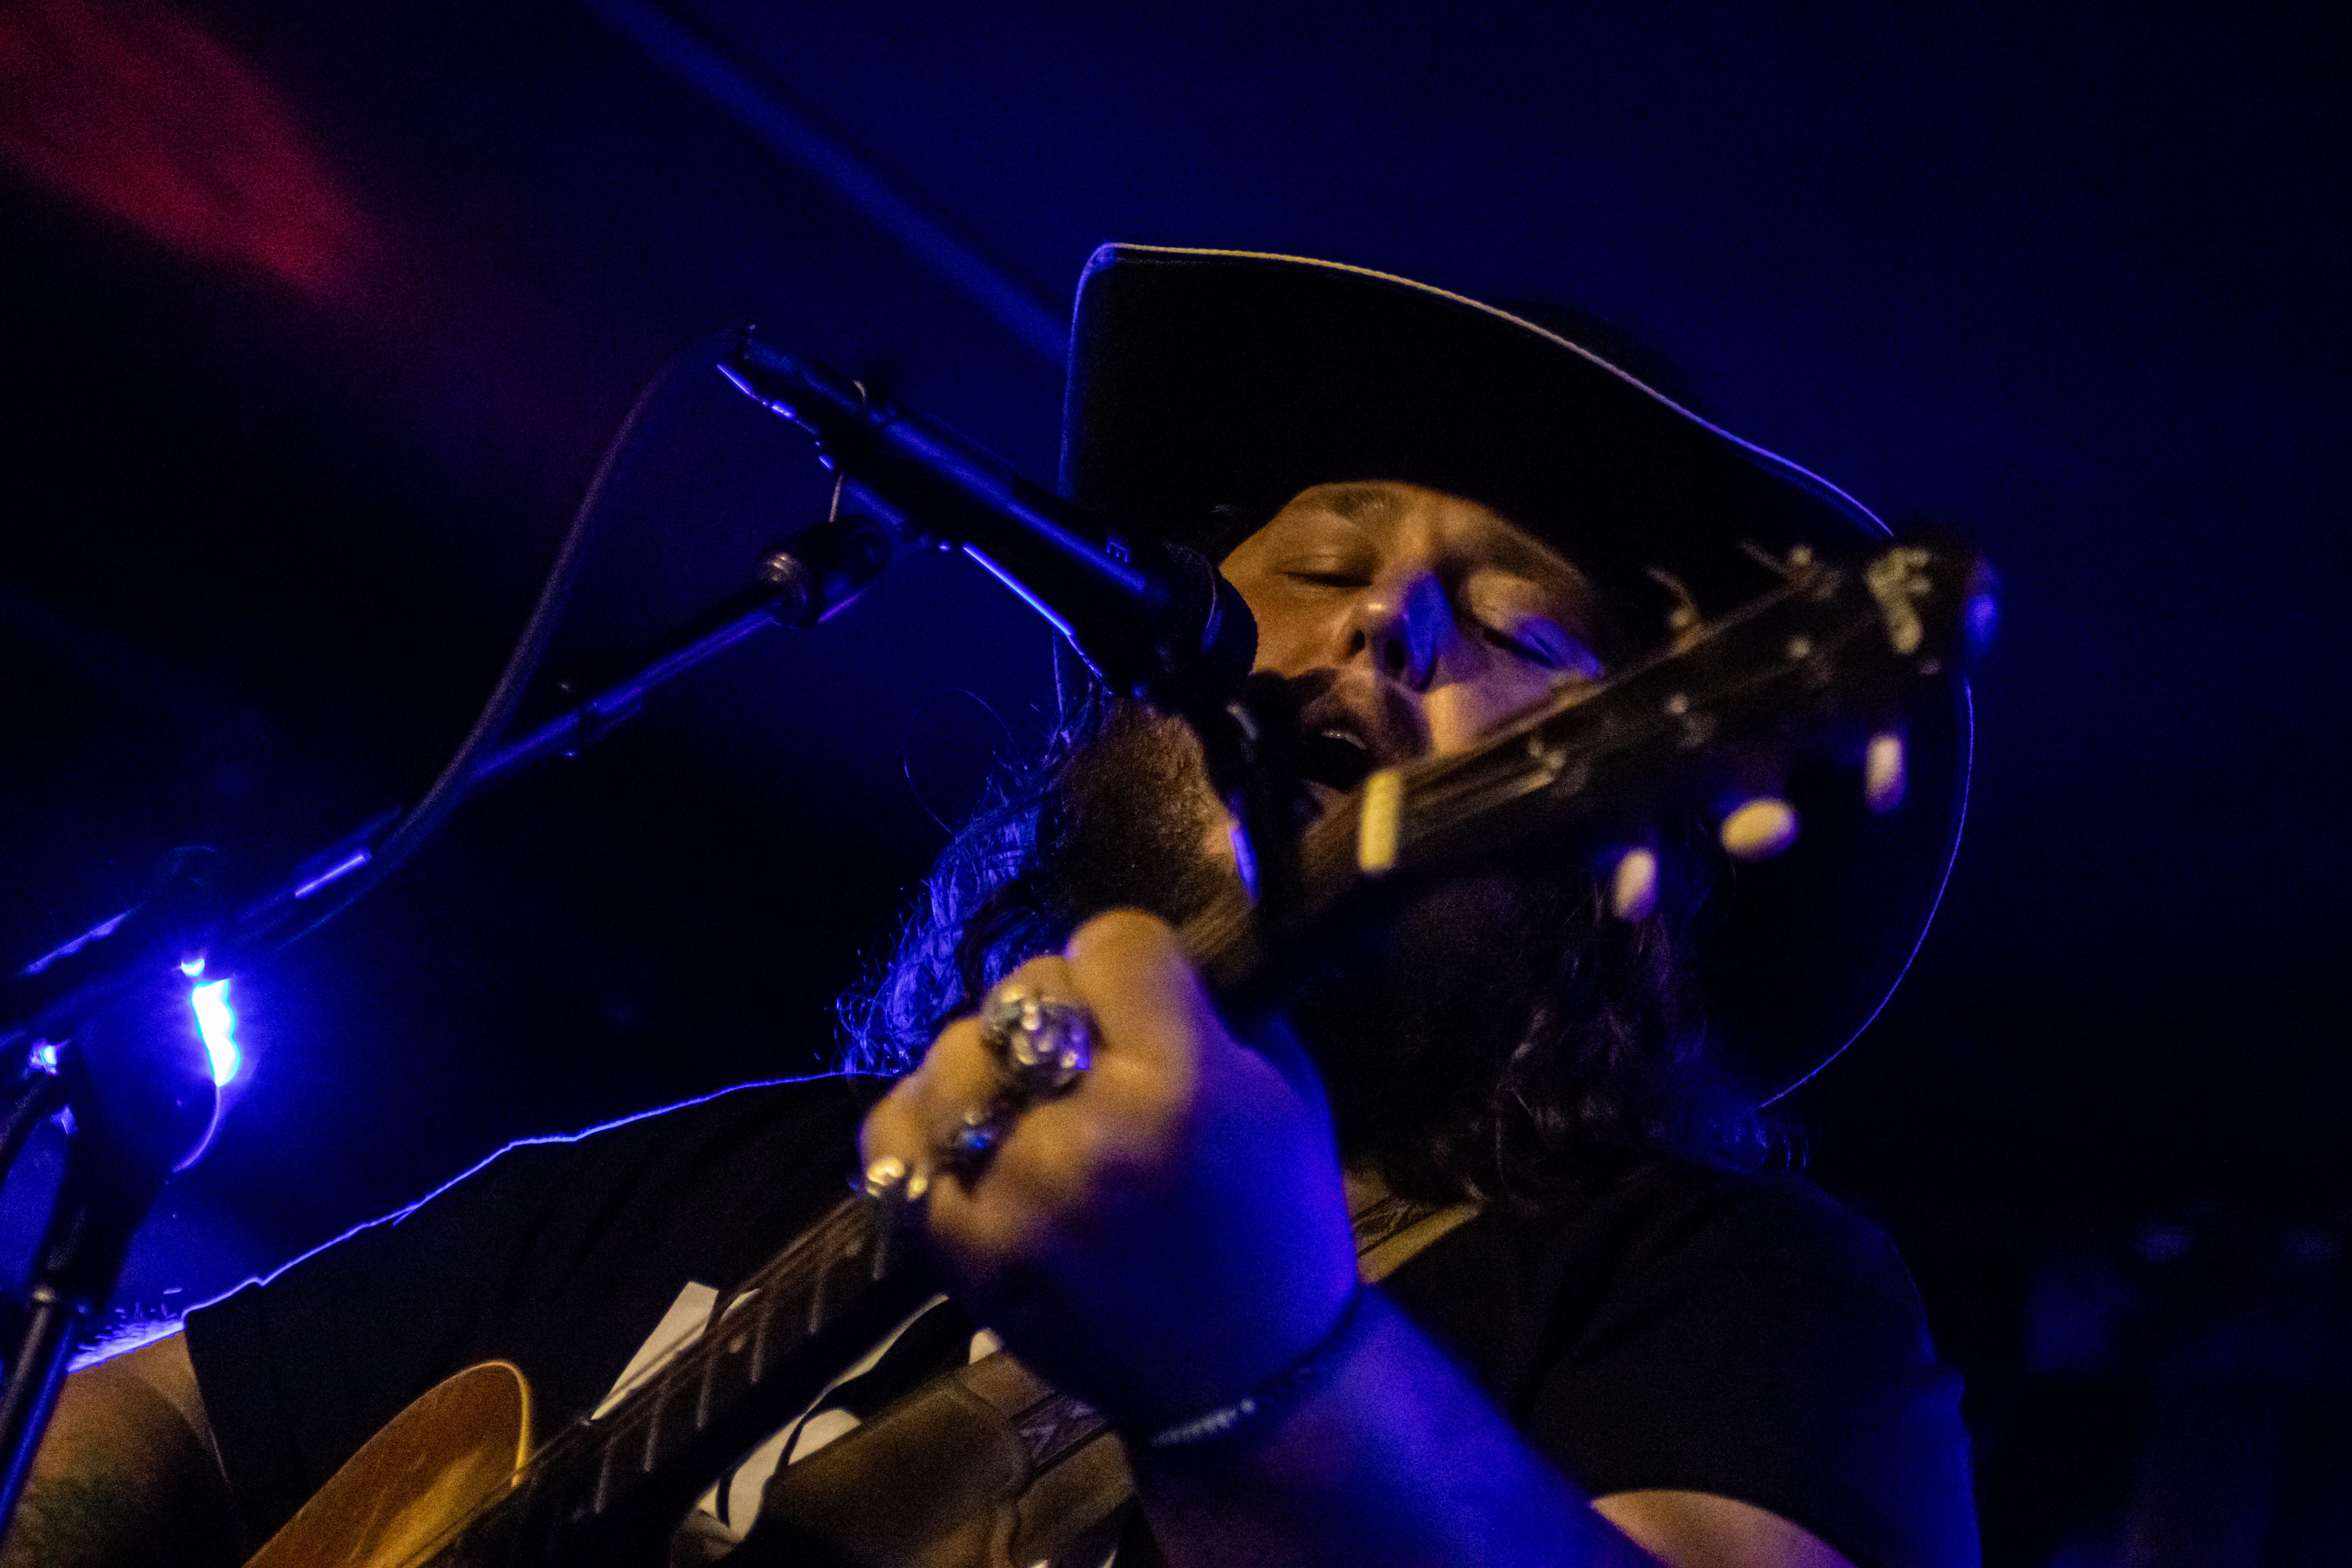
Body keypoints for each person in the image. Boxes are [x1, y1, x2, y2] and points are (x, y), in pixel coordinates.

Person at [3, 247, 1979, 1567]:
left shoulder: (1740, 1297)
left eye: (1525, 624)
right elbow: (168, 1417)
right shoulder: (735, 1184)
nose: (1394, 621)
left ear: (1634, 855)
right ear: (1138, 682)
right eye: (1315, 564)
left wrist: (1267, 1367)